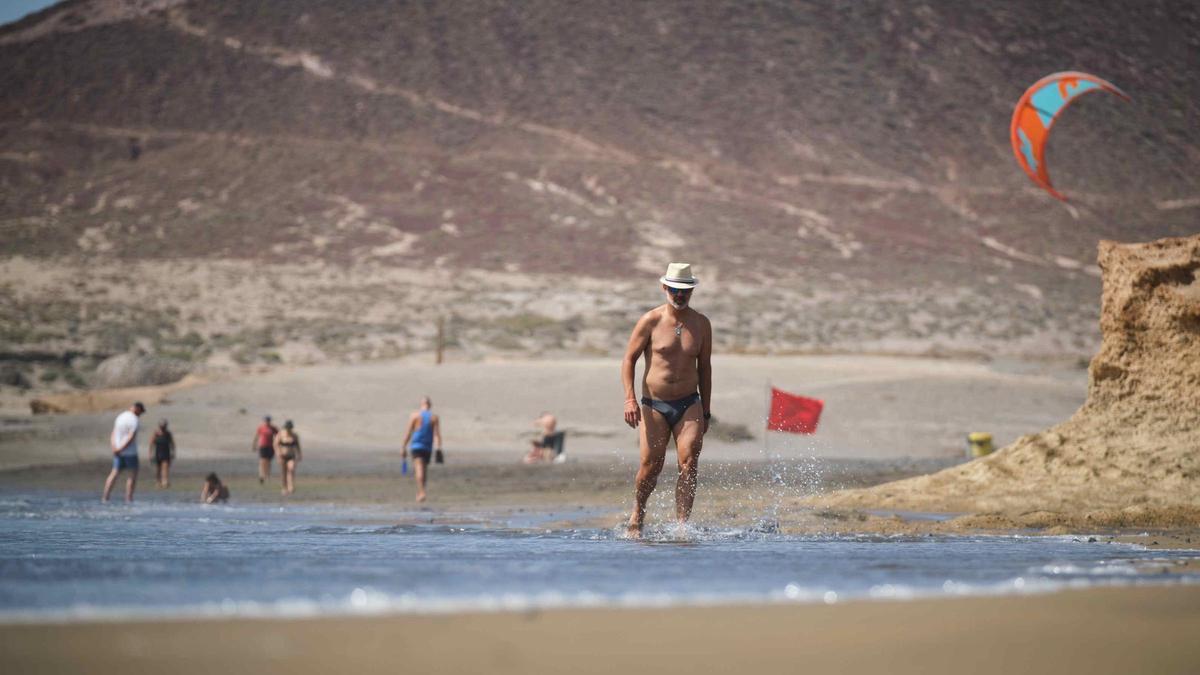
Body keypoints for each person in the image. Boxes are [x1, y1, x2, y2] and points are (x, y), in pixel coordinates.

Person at [621, 263, 712, 537]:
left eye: (685, 290)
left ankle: (682, 526)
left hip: (689, 403)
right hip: (654, 404)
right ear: (664, 288)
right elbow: (629, 360)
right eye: (674, 289)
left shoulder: (701, 324)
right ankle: (638, 512)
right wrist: (630, 400)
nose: (679, 295)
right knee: (651, 466)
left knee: (689, 462)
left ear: (692, 291)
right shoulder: (650, 320)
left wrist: (705, 410)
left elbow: (704, 368)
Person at [102, 401, 146, 503]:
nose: (140, 415)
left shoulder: (120, 416)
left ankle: (105, 497)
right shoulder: (134, 420)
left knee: (114, 473)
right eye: (140, 412)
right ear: (137, 409)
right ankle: (128, 498)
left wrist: (114, 447)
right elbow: (131, 437)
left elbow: (113, 433)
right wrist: (121, 448)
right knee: (132, 475)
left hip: (118, 451)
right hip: (130, 452)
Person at [401, 396, 442, 503]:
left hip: (416, 446)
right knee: (424, 470)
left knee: (419, 469)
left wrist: (403, 446)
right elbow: (437, 435)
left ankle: (422, 491)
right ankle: (420, 492)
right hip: (428, 447)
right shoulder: (434, 417)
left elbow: (408, 432)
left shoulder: (415, 416)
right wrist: (438, 448)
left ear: (421, 404)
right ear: (430, 405)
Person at [274, 420, 301, 496]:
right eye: (287, 428)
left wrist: (299, 454)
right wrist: (278, 453)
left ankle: (291, 486)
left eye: (289, 428)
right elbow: (275, 444)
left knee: (291, 469)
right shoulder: (280, 434)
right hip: (282, 456)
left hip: (291, 456)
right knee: (284, 472)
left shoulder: (294, 435)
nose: (288, 429)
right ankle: (284, 488)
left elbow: (297, 446)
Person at [149, 419, 176, 488]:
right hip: (158, 453)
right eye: (162, 426)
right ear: (159, 426)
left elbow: (172, 444)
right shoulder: (156, 433)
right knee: (158, 468)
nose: (163, 427)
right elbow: (151, 444)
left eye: (164, 426)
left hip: (166, 453)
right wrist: (150, 454)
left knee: (165, 468)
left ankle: (165, 481)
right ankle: (158, 481)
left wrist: (173, 452)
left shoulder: (168, 434)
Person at [252, 415, 278, 485]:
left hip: (271, 446)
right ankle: (261, 476)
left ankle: (267, 475)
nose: (267, 422)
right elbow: (256, 436)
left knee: (269, 462)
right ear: (264, 421)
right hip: (262, 446)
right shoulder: (261, 428)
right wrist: (254, 445)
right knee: (262, 461)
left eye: (268, 420)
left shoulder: (273, 428)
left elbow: (278, 436)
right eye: (266, 420)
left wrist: (277, 446)